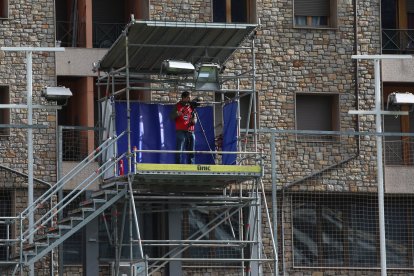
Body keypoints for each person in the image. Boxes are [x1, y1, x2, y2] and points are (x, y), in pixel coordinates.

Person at [171, 91, 197, 164]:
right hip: (181, 131)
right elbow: (171, 117)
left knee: (192, 150)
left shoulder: (191, 106)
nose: (190, 99)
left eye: (190, 97)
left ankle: (191, 166)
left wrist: (193, 120)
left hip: (191, 131)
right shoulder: (177, 106)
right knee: (179, 150)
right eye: (188, 97)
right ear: (184, 98)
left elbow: (195, 120)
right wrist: (177, 114)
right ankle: (178, 166)